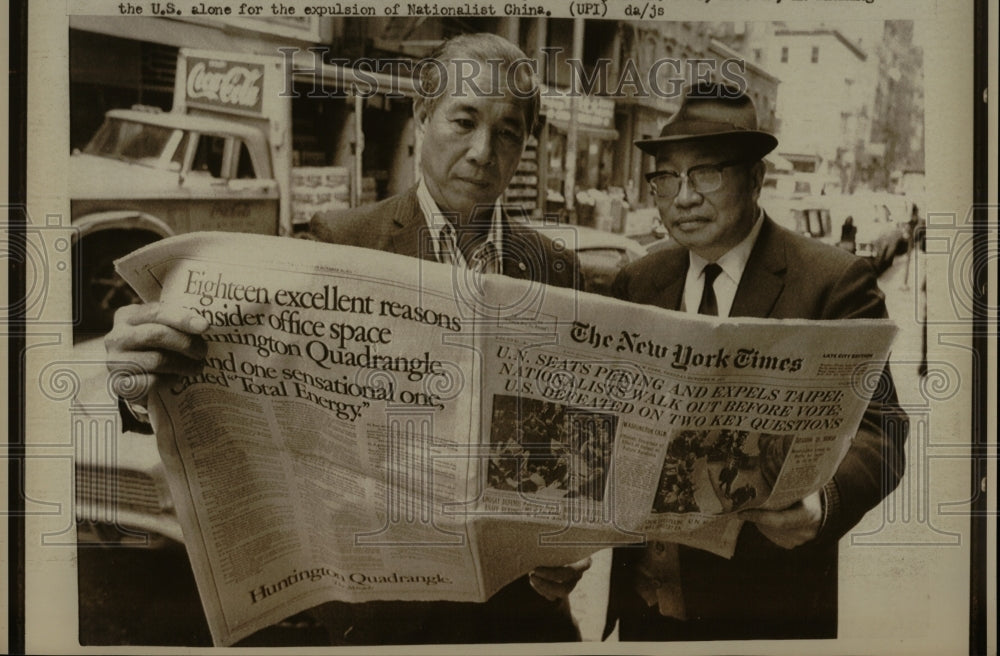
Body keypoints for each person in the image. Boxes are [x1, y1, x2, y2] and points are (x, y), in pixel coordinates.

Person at [105, 33, 591, 646]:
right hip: (382, 613)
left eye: (508, 132)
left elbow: (574, 445)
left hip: (519, 615)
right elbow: (237, 384)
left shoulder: (554, 269)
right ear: (422, 116)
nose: (482, 151)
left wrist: (570, 540)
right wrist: (141, 379)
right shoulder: (339, 244)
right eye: (463, 120)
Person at [606, 82, 908, 641]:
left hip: (767, 609)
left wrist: (824, 503)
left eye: (707, 173)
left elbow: (882, 431)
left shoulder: (831, 282)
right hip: (647, 609)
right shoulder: (639, 280)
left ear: (755, 179)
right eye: (666, 177)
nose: (683, 196)